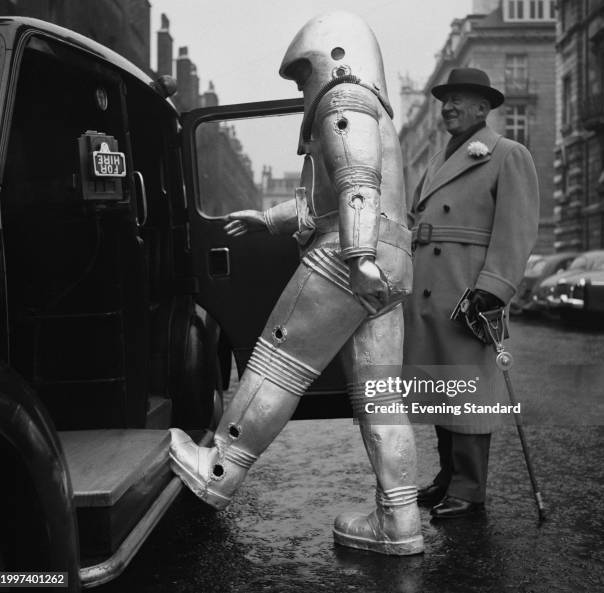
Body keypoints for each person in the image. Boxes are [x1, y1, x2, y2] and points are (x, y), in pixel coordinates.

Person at [169, 12, 423, 555]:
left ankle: (215, 471)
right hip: (391, 260)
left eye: (302, 75)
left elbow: (357, 182)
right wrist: (270, 219)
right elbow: (323, 199)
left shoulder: (343, 99)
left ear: (333, 55)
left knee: (276, 364)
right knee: (381, 399)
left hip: (348, 255)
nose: (304, 87)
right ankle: (400, 523)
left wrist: (356, 256)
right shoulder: (376, 111)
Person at [404, 67, 539, 519]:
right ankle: (447, 478)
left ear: (483, 108)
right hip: (429, 292)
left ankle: (469, 489)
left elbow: (516, 229)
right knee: (443, 389)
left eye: (458, 100)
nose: (448, 108)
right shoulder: (437, 160)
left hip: (469, 294)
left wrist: (493, 288)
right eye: (445, 101)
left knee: (470, 395)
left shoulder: (507, 154)